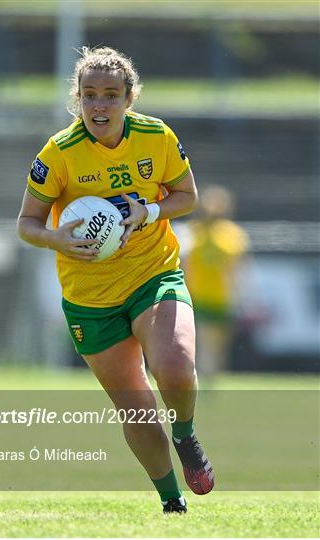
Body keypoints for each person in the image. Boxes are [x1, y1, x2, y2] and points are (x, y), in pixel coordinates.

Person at [17, 46, 214, 513]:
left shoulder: (156, 136)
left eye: (109, 95)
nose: (98, 106)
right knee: (138, 410)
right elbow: (26, 224)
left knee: (176, 366)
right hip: (90, 297)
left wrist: (150, 211)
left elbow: (187, 196)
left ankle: (185, 437)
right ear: (78, 100)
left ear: (129, 98)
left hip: (153, 271)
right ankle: (172, 502)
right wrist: (56, 241)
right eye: (89, 96)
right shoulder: (58, 153)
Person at [184, 185, 250, 380]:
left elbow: (240, 268)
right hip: (199, 296)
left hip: (223, 297)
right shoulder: (192, 232)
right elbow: (185, 264)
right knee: (205, 343)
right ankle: (203, 381)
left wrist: (240, 293)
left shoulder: (233, 234)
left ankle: (211, 381)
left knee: (219, 345)